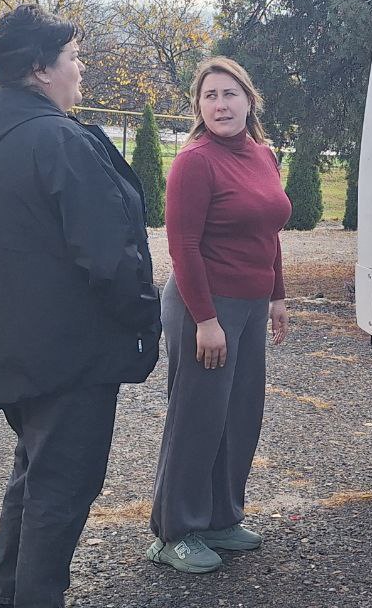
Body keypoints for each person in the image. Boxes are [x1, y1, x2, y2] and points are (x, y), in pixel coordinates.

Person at [0, 4, 161, 608]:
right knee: (61, 490)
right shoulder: (56, 139)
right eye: (73, 57)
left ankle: (8, 597)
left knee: (34, 479)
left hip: (23, 350)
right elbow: (108, 255)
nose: (80, 68)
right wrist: (145, 315)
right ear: (41, 69)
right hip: (68, 355)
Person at [147, 56, 291, 573]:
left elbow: (269, 232)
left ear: (249, 100)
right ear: (198, 106)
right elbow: (182, 245)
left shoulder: (263, 155)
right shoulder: (196, 160)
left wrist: (276, 295)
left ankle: (220, 518)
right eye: (210, 96)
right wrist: (206, 320)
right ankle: (174, 531)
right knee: (197, 416)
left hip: (251, 306)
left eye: (230, 94)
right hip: (202, 305)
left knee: (240, 414)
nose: (220, 104)